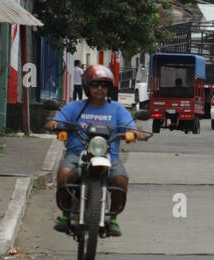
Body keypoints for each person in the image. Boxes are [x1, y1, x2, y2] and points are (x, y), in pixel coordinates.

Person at [46, 64, 148, 237]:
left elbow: (130, 127)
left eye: (104, 85)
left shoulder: (117, 109)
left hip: (109, 156)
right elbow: (57, 121)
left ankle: (113, 218)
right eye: (95, 84)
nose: (100, 89)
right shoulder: (74, 107)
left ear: (109, 88)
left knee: (121, 180)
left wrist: (134, 133)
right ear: (87, 86)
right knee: (64, 174)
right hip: (77, 154)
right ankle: (64, 216)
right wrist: (54, 124)